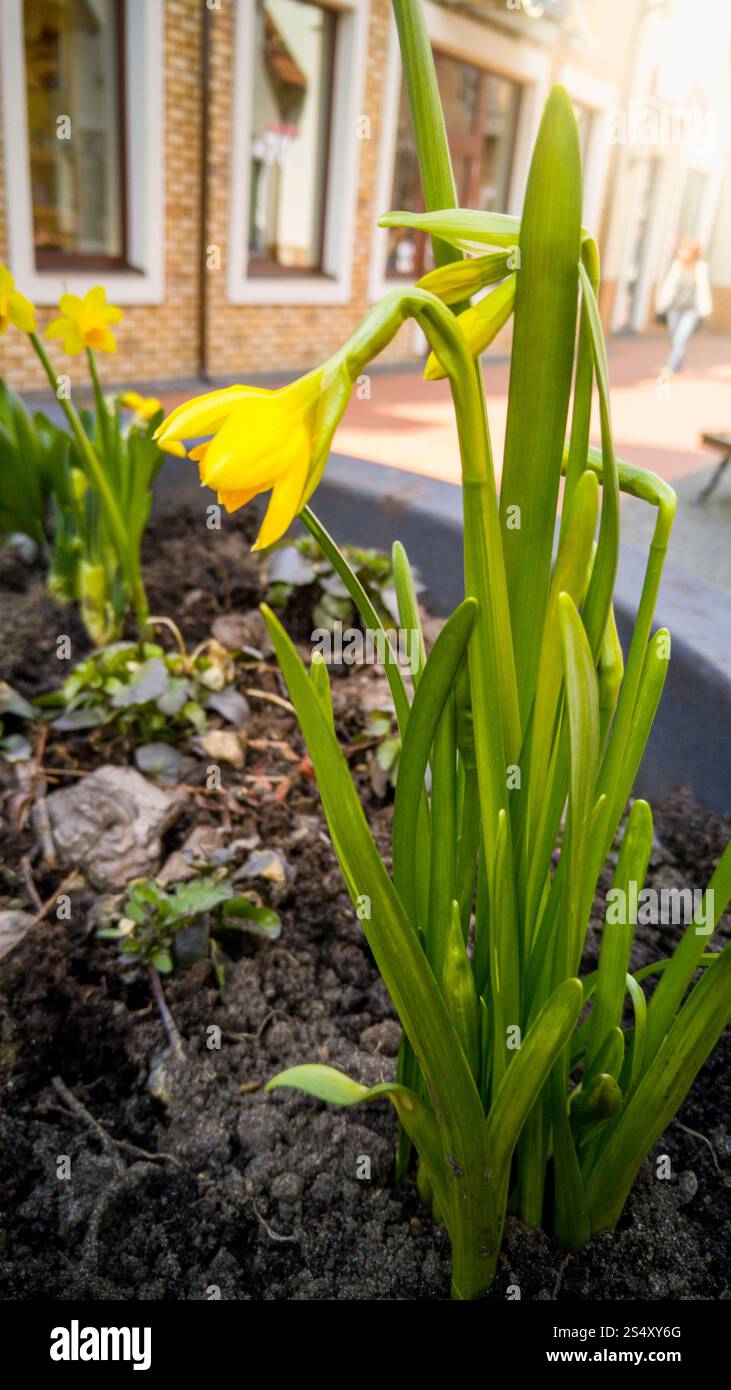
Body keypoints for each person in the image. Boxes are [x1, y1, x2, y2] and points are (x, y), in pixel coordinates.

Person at [656, 237, 712, 374]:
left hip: (691, 310)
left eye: (686, 249)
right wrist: (662, 304)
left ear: (693, 252)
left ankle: (671, 366)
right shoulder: (677, 266)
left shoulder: (700, 268)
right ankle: (678, 362)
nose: (683, 252)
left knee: (681, 336)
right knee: (675, 336)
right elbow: (668, 286)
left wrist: (705, 309)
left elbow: (704, 289)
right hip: (674, 308)